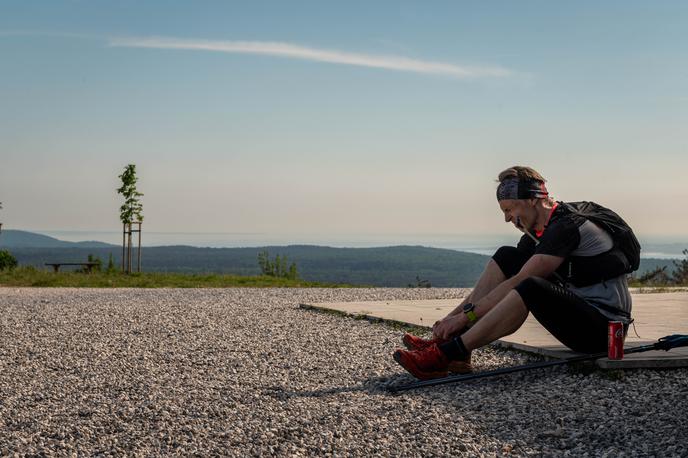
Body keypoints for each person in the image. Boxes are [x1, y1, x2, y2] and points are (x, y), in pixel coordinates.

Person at [394, 166, 634, 380]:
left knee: (530, 286)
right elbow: (510, 272)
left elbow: (518, 282)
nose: (507, 218)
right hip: (583, 317)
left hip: (603, 331)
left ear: (531, 199)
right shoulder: (542, 228)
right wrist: (451, 319)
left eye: (509, 209)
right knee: (507, 256)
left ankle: (446, 354)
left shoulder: (566, 227)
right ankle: (453, 345)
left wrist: (464, 317)